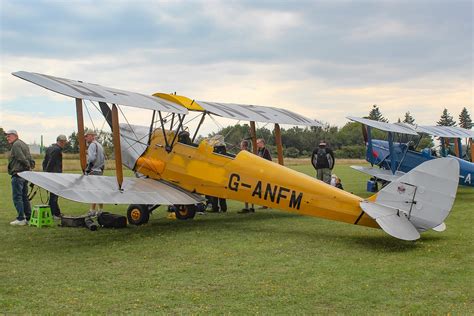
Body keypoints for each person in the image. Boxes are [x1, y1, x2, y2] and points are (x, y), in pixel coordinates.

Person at [6, 130, 33, 226]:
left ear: (15, 136)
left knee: (17, 197)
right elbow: (30, 158)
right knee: (24, 197)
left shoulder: (16, 145)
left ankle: (21, 218)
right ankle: (29, 217)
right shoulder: (24, 144)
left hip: (18, 174)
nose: (7, 138)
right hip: (24, 174)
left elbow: (21, 157)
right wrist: (30, 167)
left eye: (9, 136)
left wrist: (28, 166)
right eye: (7, 136)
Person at [42, 134, 68, 219]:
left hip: (50, 174)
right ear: (61, 142)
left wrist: (45, 172)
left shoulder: (49, 148)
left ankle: (56, 212)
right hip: (55, 175)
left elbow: (45, 162)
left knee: (54, 195)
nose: (65, 144)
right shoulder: (57, 150)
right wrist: (48, 173)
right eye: (64, 142)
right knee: (54, 195)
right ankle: (53, 214)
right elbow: (51, 162)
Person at [84, 129, 105, 215]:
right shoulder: (99, 145)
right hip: (99, 170)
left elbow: (92, 159)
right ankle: (100, 209)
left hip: (93, 170)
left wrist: (87, 168)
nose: (85, 138)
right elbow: (103, 159)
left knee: (94, 191)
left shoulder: (92, 145)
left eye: (87, 136)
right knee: (99, 190)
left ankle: (92, 210)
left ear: (92, 136)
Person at [238, 140, 255, 214]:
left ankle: (247, 207)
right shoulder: (251, 153)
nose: (240, 147)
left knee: (246, 191)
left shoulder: (244, 154)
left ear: (244, 146)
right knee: (251, 191)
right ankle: (252, 207)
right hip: (251, 175)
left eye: (241, 145)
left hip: (246, 175)